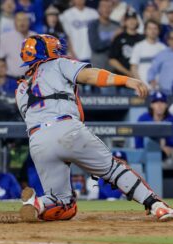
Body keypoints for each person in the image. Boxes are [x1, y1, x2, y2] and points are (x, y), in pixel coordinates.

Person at [15, 34, 173, 222]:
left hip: (38, 141)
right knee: (113, 169)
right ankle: (157, 206)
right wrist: (127, 80)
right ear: (49, 50)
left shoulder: (21, 89)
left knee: (63, 203)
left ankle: (37, 203)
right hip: (66, 128)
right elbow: (90, 75)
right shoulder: (58, 63)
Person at [0, 12, 36, 78]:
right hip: (12, 79)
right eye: (19, 20)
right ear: (14, 23)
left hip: (31, 80)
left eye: (24, 20)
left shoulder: (35, 37)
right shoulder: (4, 37)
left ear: (29, 22)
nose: (22, 23)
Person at [135, 91, 173, 169]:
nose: (159, 105)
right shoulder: (143, 119)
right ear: (152, 105)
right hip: (147, 155)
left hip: (168, 157)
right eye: (156, 102)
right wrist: (160, 147)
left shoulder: (171, 119)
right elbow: (138, 144)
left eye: (162, 102)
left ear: (166, 105)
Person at [109, 10, 144, 77]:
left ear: (137, 21)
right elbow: (112, 60)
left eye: (133, 19)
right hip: (123, 79)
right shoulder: (119, 38)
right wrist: (129, 73)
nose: (131, 21)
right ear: (125, 22)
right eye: (128, 19)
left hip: (141, 77)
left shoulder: (142, 38)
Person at [130, 20, 166, 85]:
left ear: (159, 31)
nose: (152, 31)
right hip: (142, 89)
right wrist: (141, 84)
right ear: (145, 31)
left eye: (155, 28)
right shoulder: (138, 46)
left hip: (160, 89)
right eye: (150, 28)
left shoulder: (163, 48)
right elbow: (133, 67)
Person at [88, 0, 120, 70]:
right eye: (104, 7)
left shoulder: (117, 25)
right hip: (98, 67)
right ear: (98, 9)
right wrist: (112, 39)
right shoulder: (93, 25)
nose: (107, 9)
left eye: (109, 7)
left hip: (114, 69)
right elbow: (96, 46)